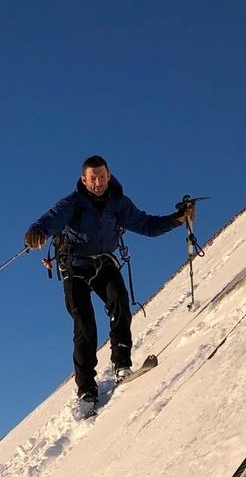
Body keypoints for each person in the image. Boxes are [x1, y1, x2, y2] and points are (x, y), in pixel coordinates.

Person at [25, 155, 194, 413]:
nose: (98, 182)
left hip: (103, 262)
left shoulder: (118, 204)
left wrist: (177, 219)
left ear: (109, 175)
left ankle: (122, 363)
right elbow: (49, 220)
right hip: (74, 267)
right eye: (93, 178)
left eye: (102, 177)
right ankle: (86, 390)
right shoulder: (73, 204)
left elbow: (147, 225)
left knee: (120, 305)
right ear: (84, 179)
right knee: (84, 324)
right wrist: (36, 232)